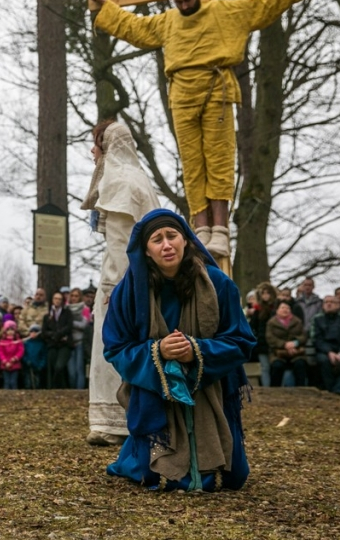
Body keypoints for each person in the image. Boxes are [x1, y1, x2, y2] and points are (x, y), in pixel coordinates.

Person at [88, 0, 319, 257]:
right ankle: (201, 227)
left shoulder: (225, 11)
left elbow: (267, 1)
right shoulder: (168, 22)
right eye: (178, 1)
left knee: (219, 158)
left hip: (216, 89)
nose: (184, 6)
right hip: (182, 95)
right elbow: (135, 27)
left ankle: (220, 229)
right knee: (193, 163)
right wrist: (106, 6)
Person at [102, 209, 256, 491]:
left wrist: (196, 351)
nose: (167, 244)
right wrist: (157, 351)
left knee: (231, 478)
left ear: (186, 240)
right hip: (155, 393)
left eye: (172, 236)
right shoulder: (129, 292)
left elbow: (241, 341)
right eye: (157, 239)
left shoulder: (218, 283)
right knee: (147, 474)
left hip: (211, 388)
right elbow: (115, 347)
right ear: (146, 251)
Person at [81, 119, 161, 446]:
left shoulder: (117, 181)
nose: (92, 151)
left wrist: (114, 289)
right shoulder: (142, 180)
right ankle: (137, 418)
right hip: (146, 279)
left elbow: (120, 243)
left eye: (95, 144)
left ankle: (113, 423)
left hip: (121, 280)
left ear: (106, 146)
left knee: (112, 347)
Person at [310, 295, 340, 395]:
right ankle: (331, 389)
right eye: (326, 302)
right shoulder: (317, 319)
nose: (329, 304)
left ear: (338, 305)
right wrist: (329, 352)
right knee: (323, 360)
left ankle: (339, 389)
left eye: (332, 302)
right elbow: (316, 339)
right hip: (324, 351)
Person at [266, 302, 307, 387]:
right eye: (282, 308)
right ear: (277, 310)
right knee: (277, 366)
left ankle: (301, 390)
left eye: (287, 308)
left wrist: (295, 343)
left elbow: (303, 336)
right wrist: (284, 344)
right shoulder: (271, 323)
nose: (285, 310)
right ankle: (275, 391)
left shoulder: (297, 321)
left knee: (300, 364)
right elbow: (270, 338)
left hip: (296, 352)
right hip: (278, 353)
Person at [41, 292, 73, 390]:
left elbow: (69, 327)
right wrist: (54, 335)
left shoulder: (67, 313)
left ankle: (60, 386)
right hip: (52, 344)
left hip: (64, 344)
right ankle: (54, 388)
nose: (57, 301)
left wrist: (58, 334)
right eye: (55, 298)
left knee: (60, 366)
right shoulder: (47, 316)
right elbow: (44, 331)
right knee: (53, 366)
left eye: (59, 299)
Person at [0, 320, 24, 390]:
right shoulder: (2, 341)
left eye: (12, 329)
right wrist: (5, 361)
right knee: (7, 382)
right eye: (8, 330)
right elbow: (0, 352)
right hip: (5, 365)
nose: (10, 331)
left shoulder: (18, 340)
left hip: (15, 364)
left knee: (13, 382)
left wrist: (14, 359)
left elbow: (20, 350)